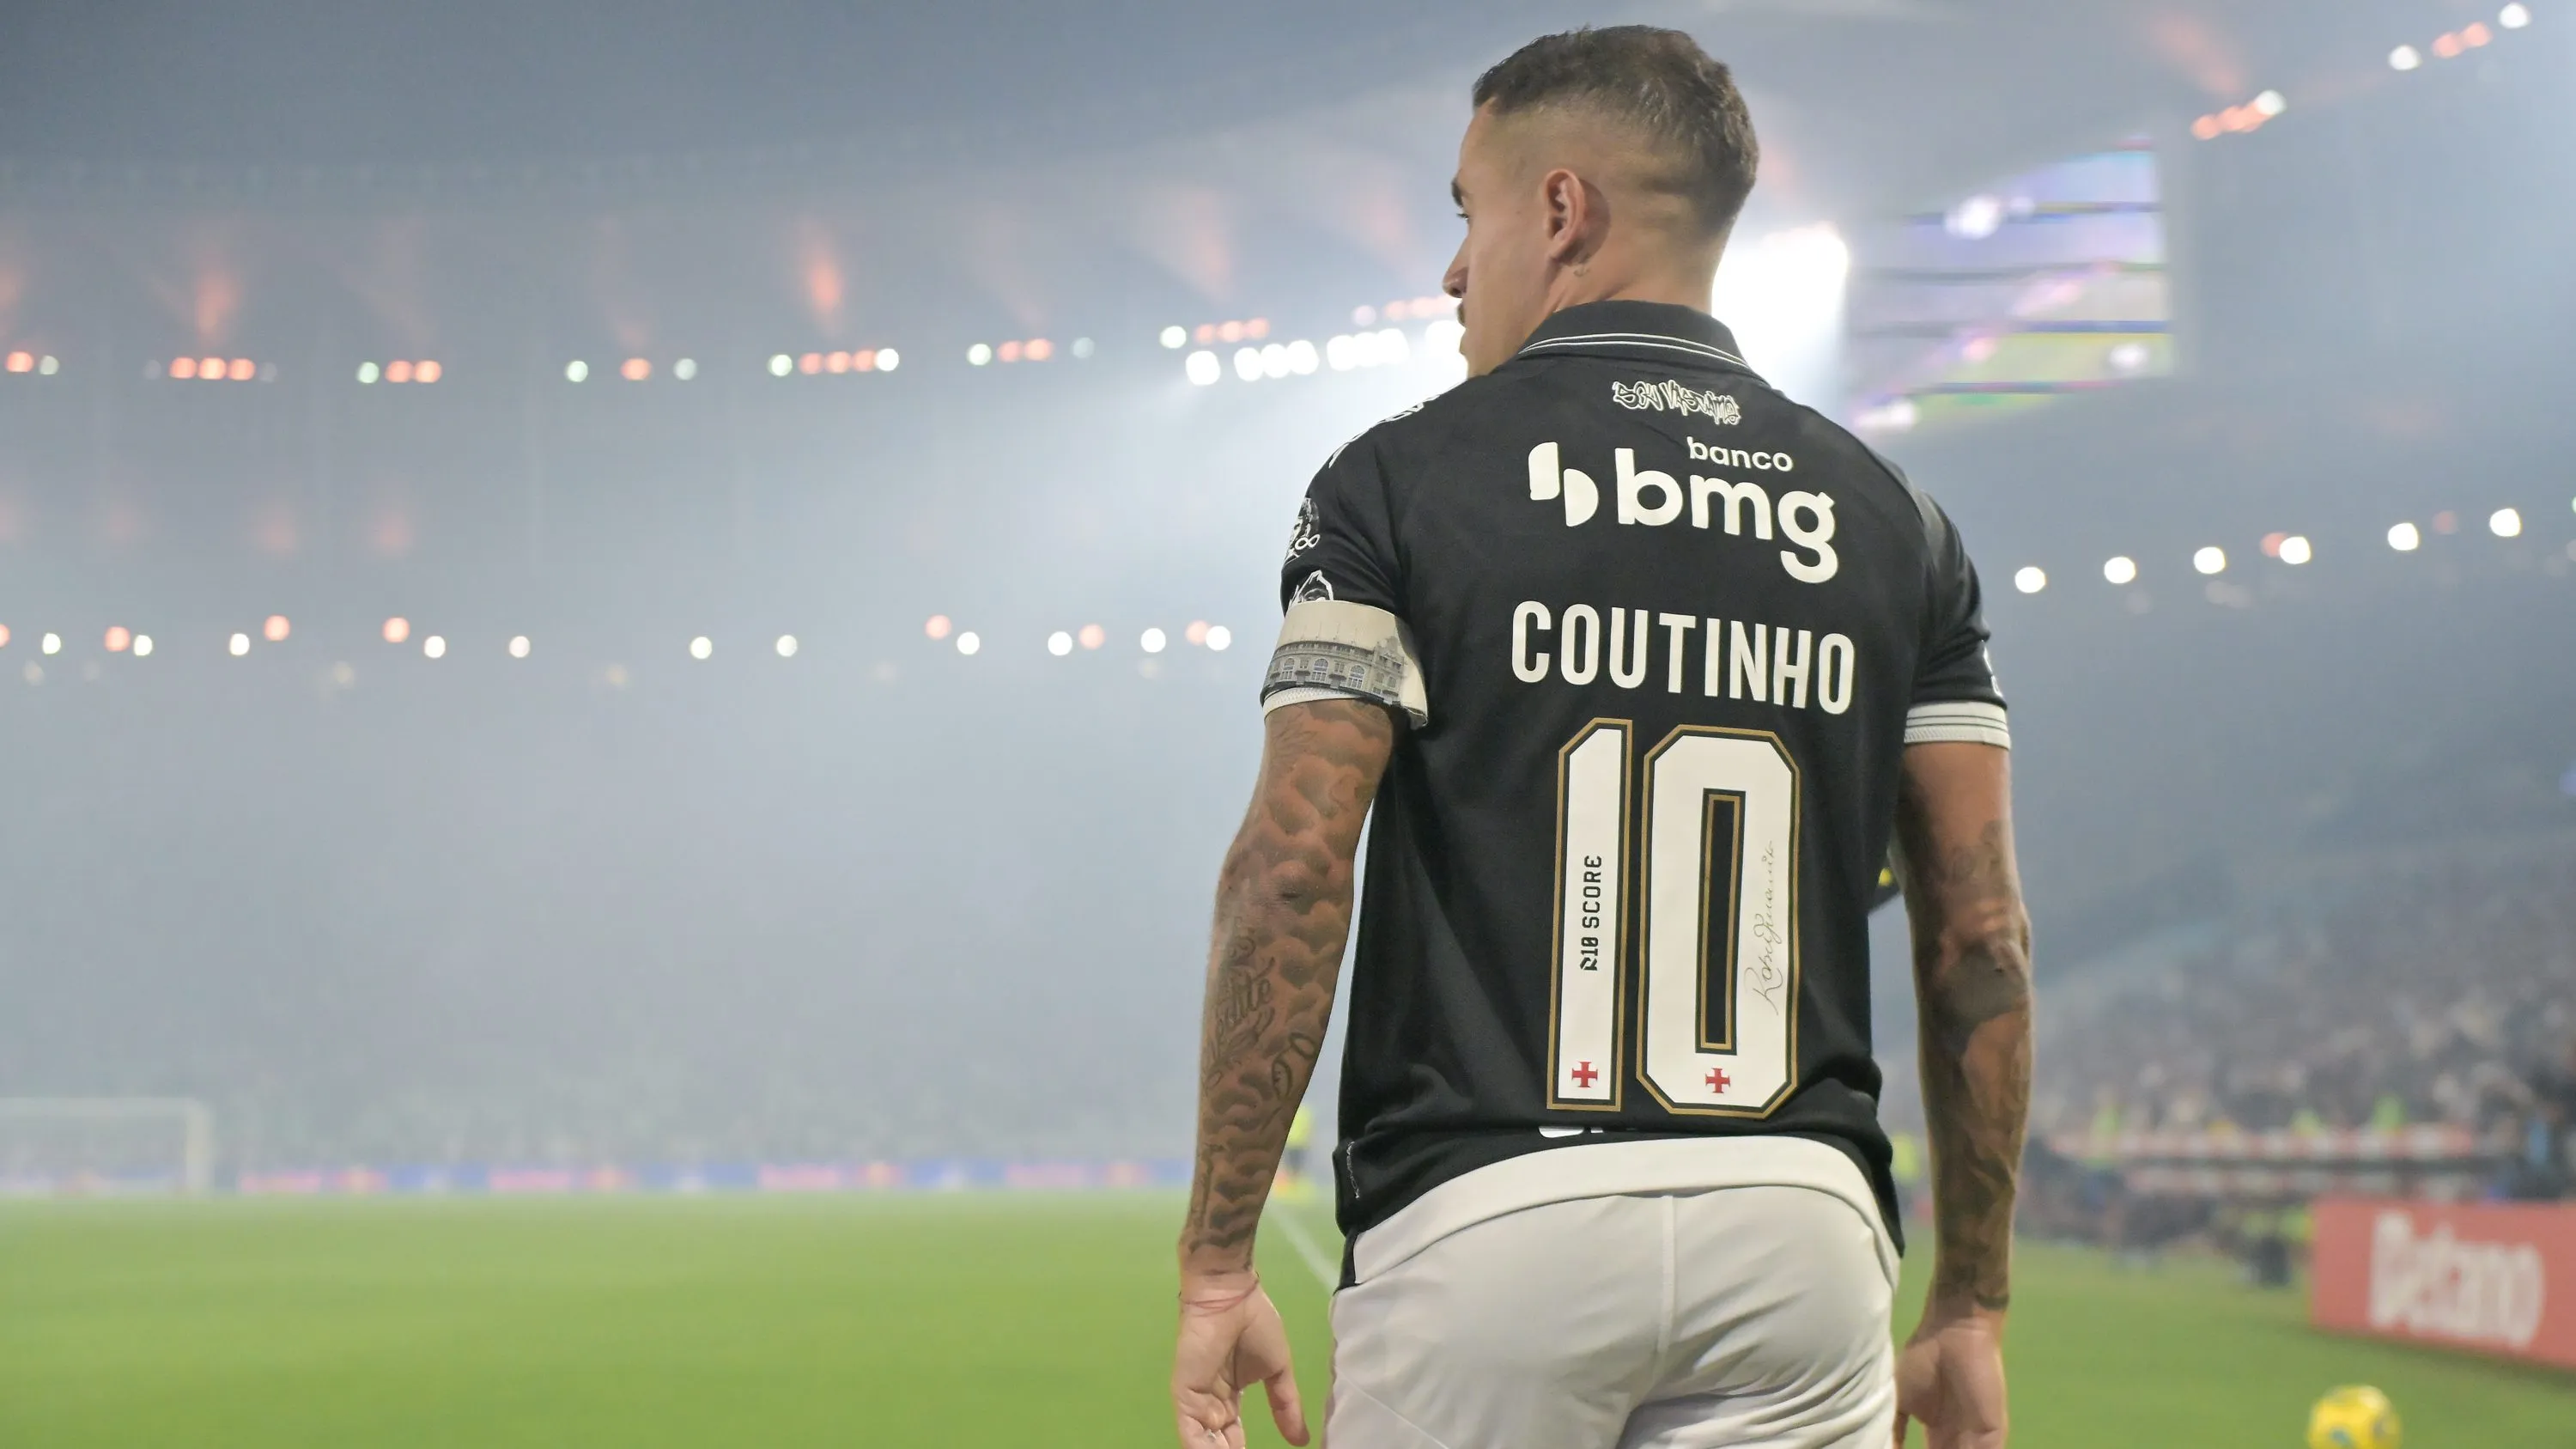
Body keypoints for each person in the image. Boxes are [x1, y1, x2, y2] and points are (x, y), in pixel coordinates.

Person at [1170, 25, 2032, 1449]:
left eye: (1470, 212)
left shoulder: (1394, 483)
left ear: (1561, 210)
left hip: (1490, 1208)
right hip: (1801, 1223)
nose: (1455, 271)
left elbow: (1295, 866)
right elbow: (1979, 933)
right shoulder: (1902, 525)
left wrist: (1217, 1257)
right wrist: (1973, 1303)